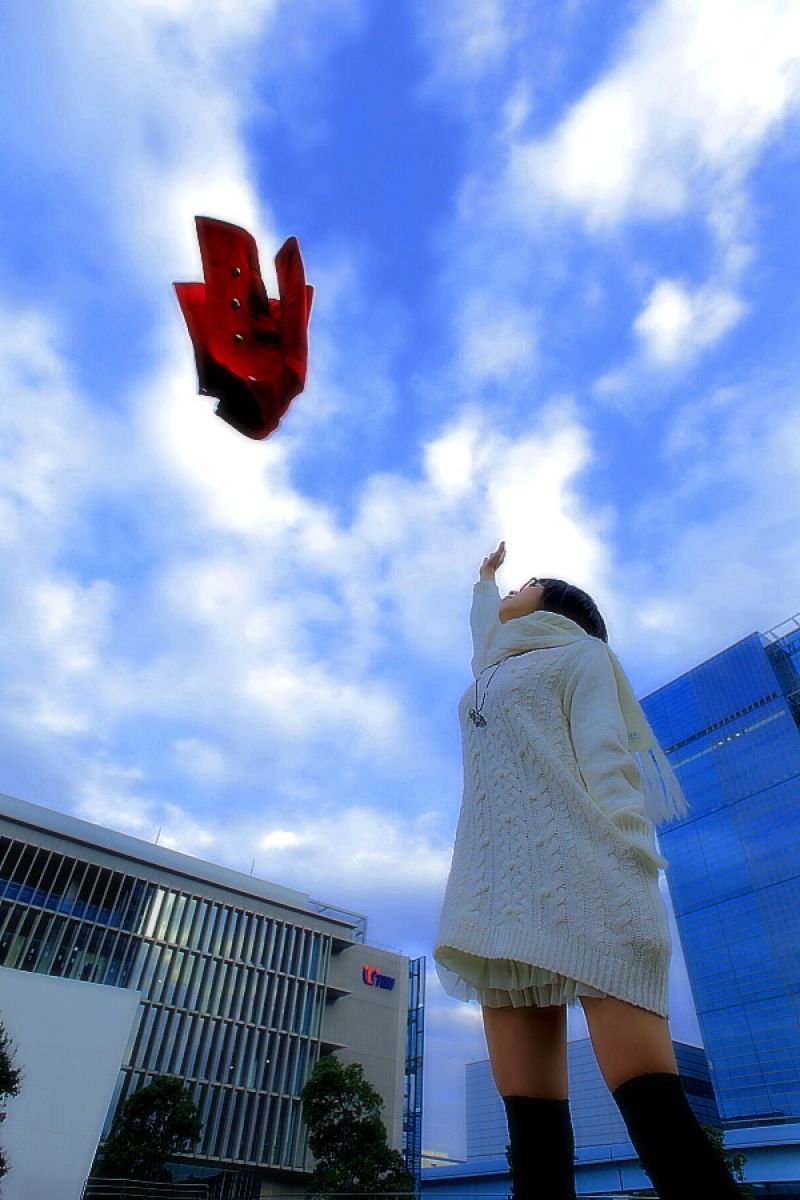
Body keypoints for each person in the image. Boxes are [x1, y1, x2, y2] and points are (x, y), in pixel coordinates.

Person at [432, 541, 743, 1199]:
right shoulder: (493, 667)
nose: (523, 584)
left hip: (588, 881)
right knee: (533, 1141)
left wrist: (635, 867)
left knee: (656, 1114)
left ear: (558, 606)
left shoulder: (582, 655)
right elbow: (483, 635)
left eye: (533, 581)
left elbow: (608, 760)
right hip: (496, 900)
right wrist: (484, 582)